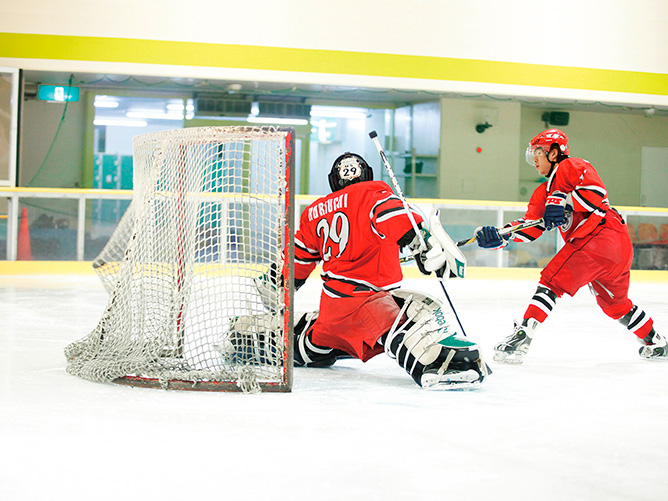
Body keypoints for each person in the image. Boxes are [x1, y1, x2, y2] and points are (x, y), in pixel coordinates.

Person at [258, 152, 489, 388]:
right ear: (367, 175)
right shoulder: (373, 194)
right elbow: (395, 214)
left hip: (332, 310)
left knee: (320, 339)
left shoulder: (314, 212)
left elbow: (299, 258)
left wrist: (274, 280)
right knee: (417, 307)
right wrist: (422, 241)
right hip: (366, 305)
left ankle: (270, 340)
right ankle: (438, 362)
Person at [474, 129, 664, 364]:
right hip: (617, 247)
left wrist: (562, 201)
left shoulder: (571, 166)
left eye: (538, 154)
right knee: (615, 305)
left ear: (554, 153)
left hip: (600, 237)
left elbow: (596, 194)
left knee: (551, 280)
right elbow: (531, 227)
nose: (534, 160)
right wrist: (502, 235)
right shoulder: (542, 193)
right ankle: (656, 342)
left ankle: (522, 337)